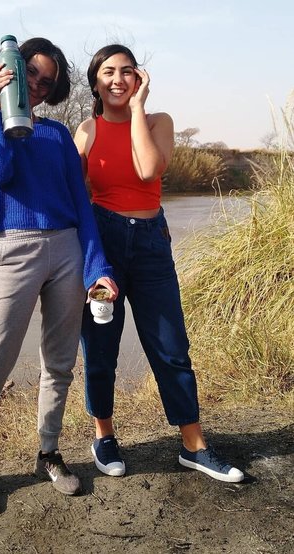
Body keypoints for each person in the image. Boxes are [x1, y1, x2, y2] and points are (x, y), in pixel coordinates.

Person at [0, 37, 118, 515]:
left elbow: (81, 205)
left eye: (47, 82)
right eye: (30, 73)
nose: (37, 87)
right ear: (9, 67)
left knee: (60, 363)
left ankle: (48, 453)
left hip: (66, 248)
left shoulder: (58, 135)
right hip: (12, 250)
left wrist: (98, 267)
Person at [74, 44, 244, 483]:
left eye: (127, 71)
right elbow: (71, 195)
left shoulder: (157, 122)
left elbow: (149, 169)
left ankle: (194, 446)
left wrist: (137, 108)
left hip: (151, 242)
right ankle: (104, 436)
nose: (118, 79)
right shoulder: (86, 131)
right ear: (95, 82)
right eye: (108, 72)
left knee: (171, 347)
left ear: (139, 79)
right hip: (103, 244)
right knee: (100, 349)